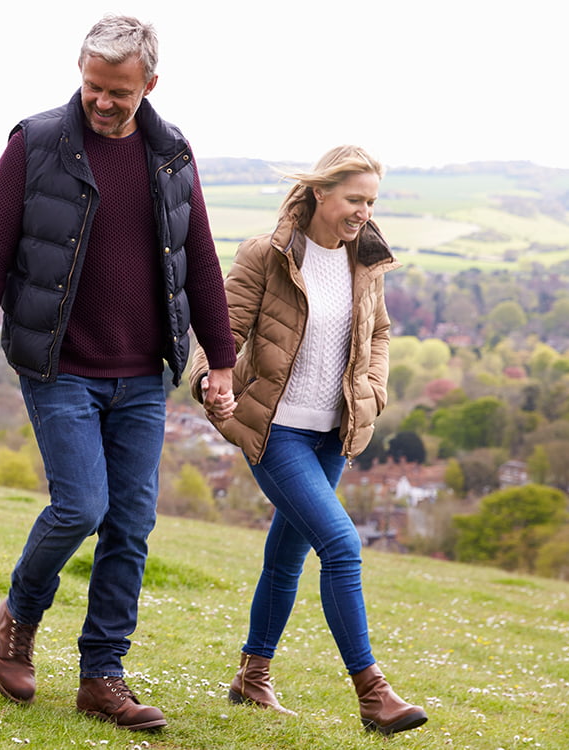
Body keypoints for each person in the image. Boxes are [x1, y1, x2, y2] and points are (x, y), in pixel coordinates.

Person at [0, 13, 237, 732]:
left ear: (150, 83)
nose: (102, 102)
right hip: (60, 365)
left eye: (118, 91)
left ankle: (102, 677)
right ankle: (18, 616)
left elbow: (198, 260)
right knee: (82, 507)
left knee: (132, 524)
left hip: (143, 372)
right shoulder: (37, 142)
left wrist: (222, 362)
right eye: (92, 87)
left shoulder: (171, 153)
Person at [187, 145, 428, 736]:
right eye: (354, 199)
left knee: (287, 556)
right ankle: (373, 694)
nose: (363, 213)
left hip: (331, 434)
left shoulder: (364, 262)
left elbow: (379, 334)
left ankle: (252, 675)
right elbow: (225, 328)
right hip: (276, 430)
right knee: (342, 546)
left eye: (370, 201)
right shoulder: (265, 255)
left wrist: (372, 390)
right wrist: (205, 379)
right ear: (321, 193)